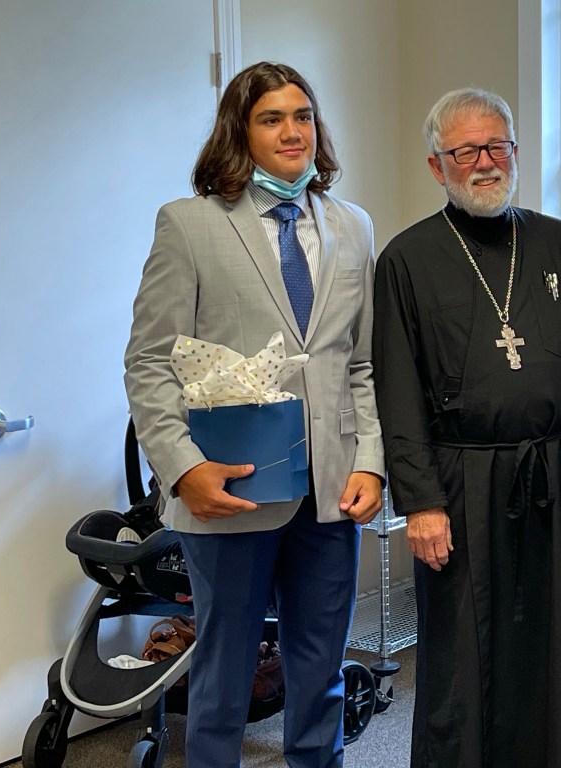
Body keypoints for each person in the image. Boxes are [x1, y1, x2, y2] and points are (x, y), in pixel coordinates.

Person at [123, 61, 384, 768]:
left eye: (303, 116)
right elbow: (149, 362)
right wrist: (182, 470)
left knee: (321, 669)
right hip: (231, 487)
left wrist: (370, 462)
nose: (293, 131)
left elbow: (363, 363)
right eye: (272, 119)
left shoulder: (353, 226)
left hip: (331, 490)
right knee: (223, 675)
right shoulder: (190, 225)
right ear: (240, 132)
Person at [372, 87, 561, 768]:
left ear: (514, 152)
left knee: (557, 643)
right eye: (466, 151)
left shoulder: (555, 242)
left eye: (496, 147)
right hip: (461, 482)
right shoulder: (406, 259)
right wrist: (420, 502)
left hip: (557, 471)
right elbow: (397, 393)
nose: (484, 162)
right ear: (437, 166)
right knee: (465, 652)